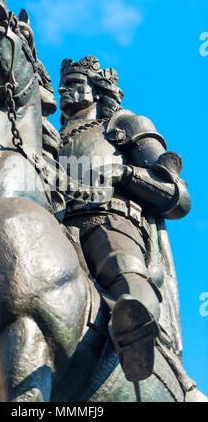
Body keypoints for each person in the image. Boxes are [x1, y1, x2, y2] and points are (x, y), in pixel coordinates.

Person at [58, 55, 191, 383]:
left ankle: (134, 325)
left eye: (75, 83)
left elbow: (178, 197)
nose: (65, 89)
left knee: (120, 267)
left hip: (108, 222)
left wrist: (124, 174)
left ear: (95, 89)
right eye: (64, 84)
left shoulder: (123, 124)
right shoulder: (48, 139)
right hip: (56, 229)